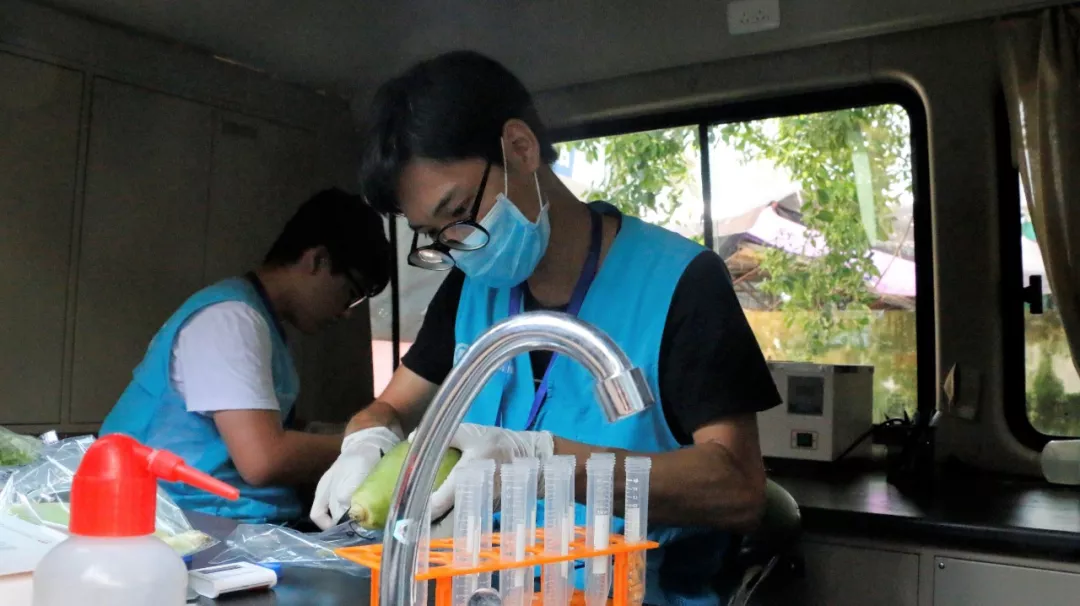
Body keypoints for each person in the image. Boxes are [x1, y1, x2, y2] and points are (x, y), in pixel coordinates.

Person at [313, 51, 781, 604]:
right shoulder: (470, 290)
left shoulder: (681, 282)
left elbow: (738, 489)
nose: (457, 246)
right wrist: (366, 440)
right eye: (435, 235)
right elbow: (390, 406)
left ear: (520, 147)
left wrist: (541, 461)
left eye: (458, 213)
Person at [101, 189, 392, 523]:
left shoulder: (257, 319)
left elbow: (261, 428)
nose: (347, 312)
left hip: (214, 515)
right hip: (179, 517)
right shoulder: (230, 320)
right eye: (351, 294)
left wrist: (332, 432)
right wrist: (368, 445)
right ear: (318, 260)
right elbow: (263, 460)